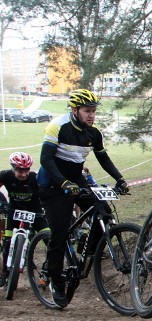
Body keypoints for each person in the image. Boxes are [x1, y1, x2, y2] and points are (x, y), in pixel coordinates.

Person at [38, 89, 129, 309]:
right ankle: (57, 282)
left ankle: (83, 250)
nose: (91, 116)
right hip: (52, 183)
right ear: (75, 110)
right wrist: (63, 183)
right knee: (59, 233)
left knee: (103, 211)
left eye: (94, 111)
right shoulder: (58, 126)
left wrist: (120, 179)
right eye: (88, 111)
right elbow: (46, 159)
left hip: (76, 179)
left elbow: (103, 158)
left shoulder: (93, 133)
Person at [0, 152, 48, 288]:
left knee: (50, 239)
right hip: (14, 212)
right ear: (13, 168)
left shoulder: (35, 177)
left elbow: (46, 192)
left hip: (35, 212)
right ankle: (4, 273)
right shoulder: (5, 175)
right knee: (8, 242)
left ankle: (47, 271)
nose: (24, 174)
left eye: (26, 170)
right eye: (20, 171)